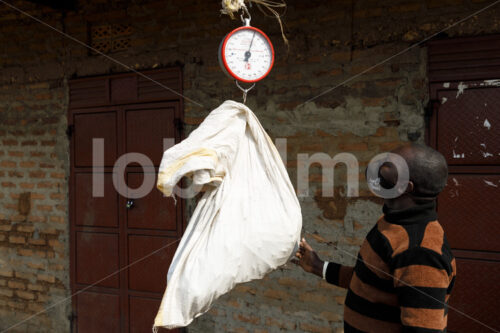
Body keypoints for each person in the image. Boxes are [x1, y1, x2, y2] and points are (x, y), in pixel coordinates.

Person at [294, 143, 456, 332]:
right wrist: (318, 266)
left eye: (388, 170)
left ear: (406, 186)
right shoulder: (391, 223)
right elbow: (370, 280)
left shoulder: (420, 251)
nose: (379, 171)